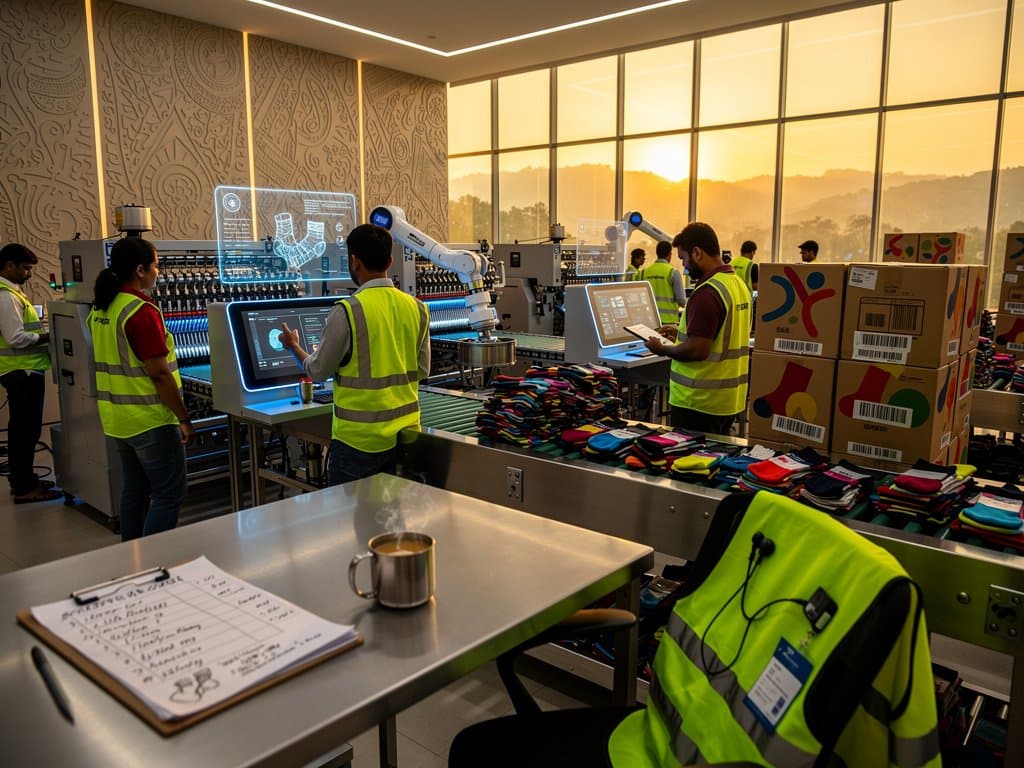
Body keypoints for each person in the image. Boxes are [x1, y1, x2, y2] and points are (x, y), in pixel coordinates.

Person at [280, 224, 430, 486]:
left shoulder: (347, 311)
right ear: (390, 261)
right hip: (405, 436)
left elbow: (318, 371)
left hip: (359, 443)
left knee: (352, 522)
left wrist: (294, 346)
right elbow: (422, 370)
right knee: (392, 518)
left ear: (354, 261)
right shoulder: (416, 307)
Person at [89, 238, 194, 540]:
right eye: (156, 265)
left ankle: (131, 557)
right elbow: (160, 374)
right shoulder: (140, 311)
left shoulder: (102, 308)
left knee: (134, 491)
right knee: (168, 495)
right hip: (151, 420)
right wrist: (183, 418)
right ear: (140, 270)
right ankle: (152, 564)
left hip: (118, 420)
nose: (158, 272)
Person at [644, 222, 752, 436]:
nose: (684, 267)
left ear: (697, 252)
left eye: (684, 258)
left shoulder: (707, 292)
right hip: (728, 401)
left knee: (689, 464)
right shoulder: (737, 284)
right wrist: (681, 333)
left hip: (698, 402)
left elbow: (699, 350)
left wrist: (661, 348)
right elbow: (721, 335)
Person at [0, 244, 62, 503]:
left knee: (25, 430)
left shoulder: (12, 293)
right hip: (21, 372)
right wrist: (49, 335)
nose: (28, 274)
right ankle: (25, 488)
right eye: (25, 269)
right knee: (24, 432)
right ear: (10, 264)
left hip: (26, 370)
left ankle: (25, 480)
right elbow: (15, 337)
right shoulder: (5, 296)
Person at [637, 240, 686, 324]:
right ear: (670, 254)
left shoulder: (643, 273)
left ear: (657, 253)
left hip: (650, 322)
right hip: (669, 323)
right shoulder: (673, 272)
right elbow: (681, 301)